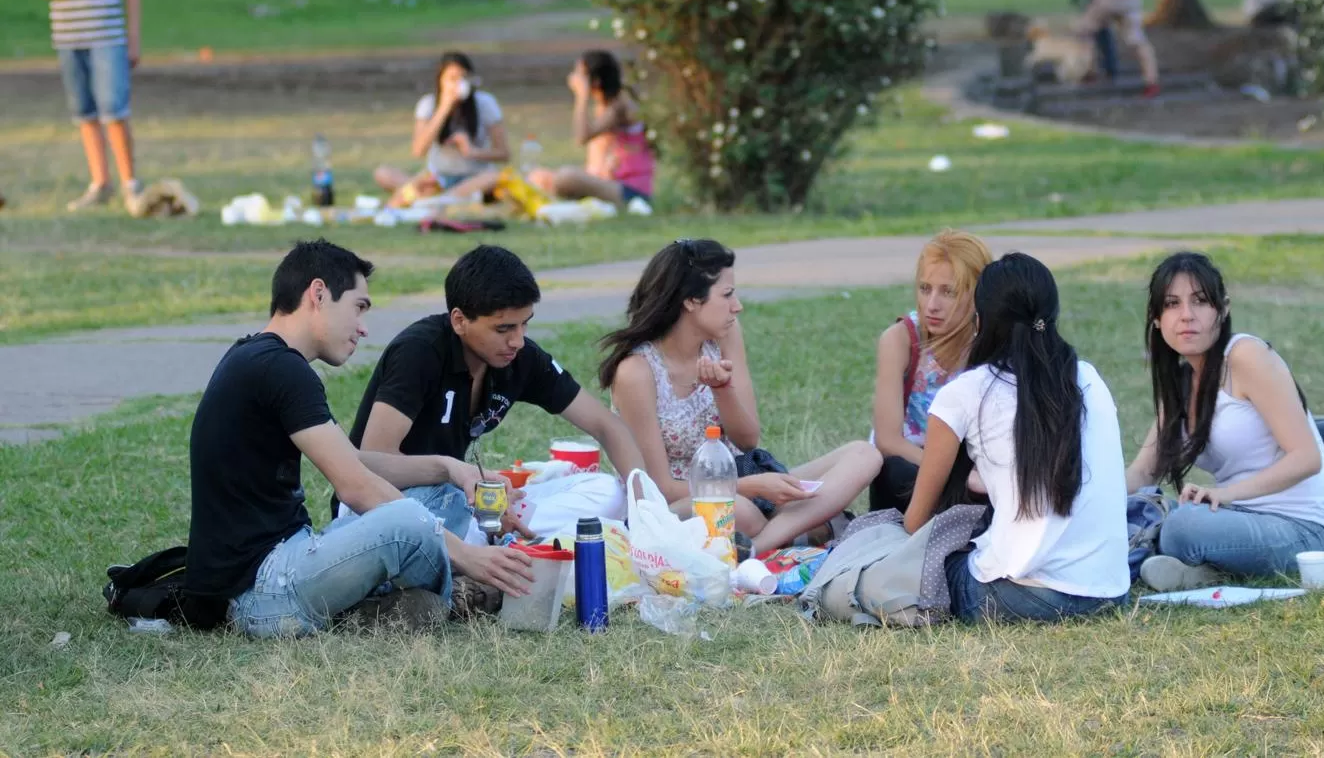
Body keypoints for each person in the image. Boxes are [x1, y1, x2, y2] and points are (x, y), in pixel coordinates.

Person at [185, 239, 535, 638]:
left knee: (439, 498)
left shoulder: (259, 358)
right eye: (359, 307)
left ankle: (386, 605)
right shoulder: (280, 368)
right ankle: (460, 588)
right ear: (318, 294)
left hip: (283, 562)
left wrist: (450, 468)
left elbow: (355, 460)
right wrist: (467, 554)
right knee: (408, 521)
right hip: (262, 589)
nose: (363, 327)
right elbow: (356, 486)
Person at [601, 239, 883, 556]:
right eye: (727, 295)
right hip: (679, 503)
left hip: (743, 475)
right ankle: (797, 531)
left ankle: (758, 546)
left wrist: (723, 391)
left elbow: (748, 439)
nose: (737, 306)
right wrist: (751, 487)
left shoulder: (725, 335)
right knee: (741, 511)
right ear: (691, 300)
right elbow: (660, 489)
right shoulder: (637, 372)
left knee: (864, 455)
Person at [342, 244, 643, 539]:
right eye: (503, 329)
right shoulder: (419, 351)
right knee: (452, 515)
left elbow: (606, 425)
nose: (518, 341)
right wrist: (452, 472)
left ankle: (490, 534)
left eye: (524, 325)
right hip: (386, 506)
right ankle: (485, 537)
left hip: (463, 498)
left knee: (609, 492)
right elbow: (372, 461)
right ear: (459, 321)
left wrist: (646, 510)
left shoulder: (520, 357)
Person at [904, 253, 1130, 624]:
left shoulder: (966, 393)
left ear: (981, 321)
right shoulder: (1089, 378)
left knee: (939, 560)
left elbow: (916, 522)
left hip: (1019, 595)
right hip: (1108, 592)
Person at [1126, 251, 1324, 592]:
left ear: (1223, 308)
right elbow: (1142, 473)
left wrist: (1224, 495)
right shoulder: (1179, 385)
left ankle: (1185, 559)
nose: (1186, 316)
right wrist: (1078, 504)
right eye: (1171, 304)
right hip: (1236, 519)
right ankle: (1204, 573)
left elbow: (1306, 458)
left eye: (1200, 301)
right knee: (1138, 507)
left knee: (1182, 525)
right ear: (1156, 319)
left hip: (1300, 529)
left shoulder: (1245, 356)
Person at [868, 230, 992, 514]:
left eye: (948, 292)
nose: (931, 305)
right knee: (896, 471)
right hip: (910, 469)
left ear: (978, 294)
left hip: (969, 472)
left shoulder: (990, 345)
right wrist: (952, 474)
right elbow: (888, 441)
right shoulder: (901, 339)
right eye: (925, 288)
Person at [37, 0, 146, 215]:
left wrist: (133, 36)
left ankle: (130, 185)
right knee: (84, 112)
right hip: (68, 36)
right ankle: (100, 183)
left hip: (107, 34)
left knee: (114, 109)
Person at [373, 51, 509, 209]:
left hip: (475, 178)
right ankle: (445, 199)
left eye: (463, 78)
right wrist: (444, 109)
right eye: (452, 79)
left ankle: (439, 200)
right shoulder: (429, 104)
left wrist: (472, 151)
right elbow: (418, 150)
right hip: (438, 178)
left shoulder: (485, 103)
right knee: (383, 173)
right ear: (440, 81)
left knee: (496, 177)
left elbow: (504, 153)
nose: (458, 83)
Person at [528, 50, 656, 216]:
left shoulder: (620, 105)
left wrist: (582, 96)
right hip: (608, 184)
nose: (573, 78)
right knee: (537, 176)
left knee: (566, 177)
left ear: (595, 80)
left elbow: (582, 137)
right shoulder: (605, 105)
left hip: (630, 191)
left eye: (579, 74)